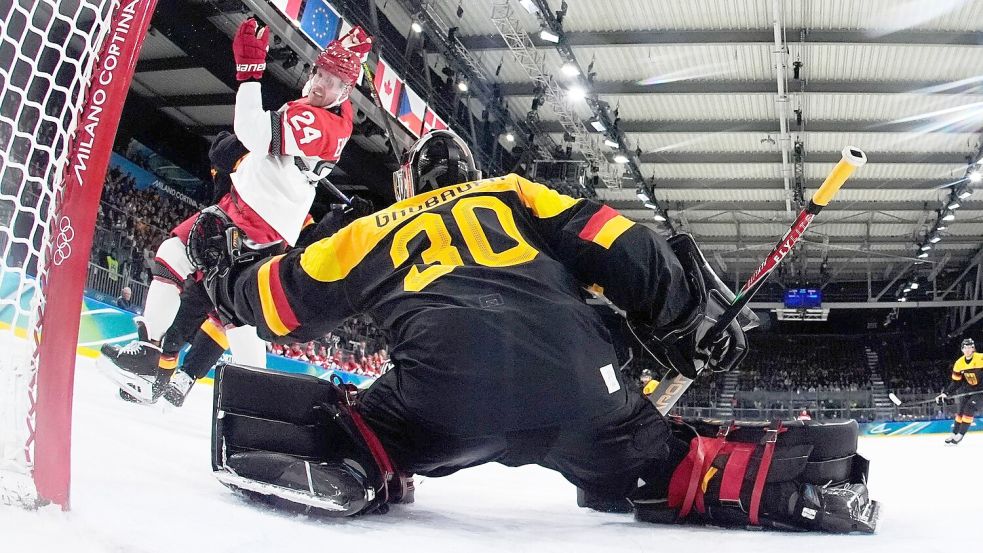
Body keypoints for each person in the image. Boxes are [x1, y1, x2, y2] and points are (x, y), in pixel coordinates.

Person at [199, 130, 878, 532]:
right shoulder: (515, 193)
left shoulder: (372, 228)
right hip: (583, 384)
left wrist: (223, 274)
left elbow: (278, 302)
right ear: (474, 173)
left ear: (408, 183)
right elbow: (625, 245)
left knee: (368, 425)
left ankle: (354, 460)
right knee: (663, 461)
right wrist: (677, 319)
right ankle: (799, 480)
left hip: (442, 392)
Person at [99, 19, 371, 403]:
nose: (317, 83)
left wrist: (249, 72)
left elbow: (253, 133)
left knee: (175, 259)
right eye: (317, 71)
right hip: (253, 215)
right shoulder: (324, 113)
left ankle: (152, 359)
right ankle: (250, 398)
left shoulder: (323, 123)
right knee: (235, 315)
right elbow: (259, 147)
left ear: (346, 91)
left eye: (330, 79)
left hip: (253, 220)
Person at [936, 337, 983, 444]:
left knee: (969, 407)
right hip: (968, 389)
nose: (967, 350)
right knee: (960, 410)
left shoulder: (981, 358)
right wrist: (945, 393)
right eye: (965, 347)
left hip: (981, 391)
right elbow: (956, 382)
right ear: (962, 349)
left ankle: (960, 434)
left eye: (969, 347)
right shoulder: (959, 363)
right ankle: (954, 433)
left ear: (973, 348)